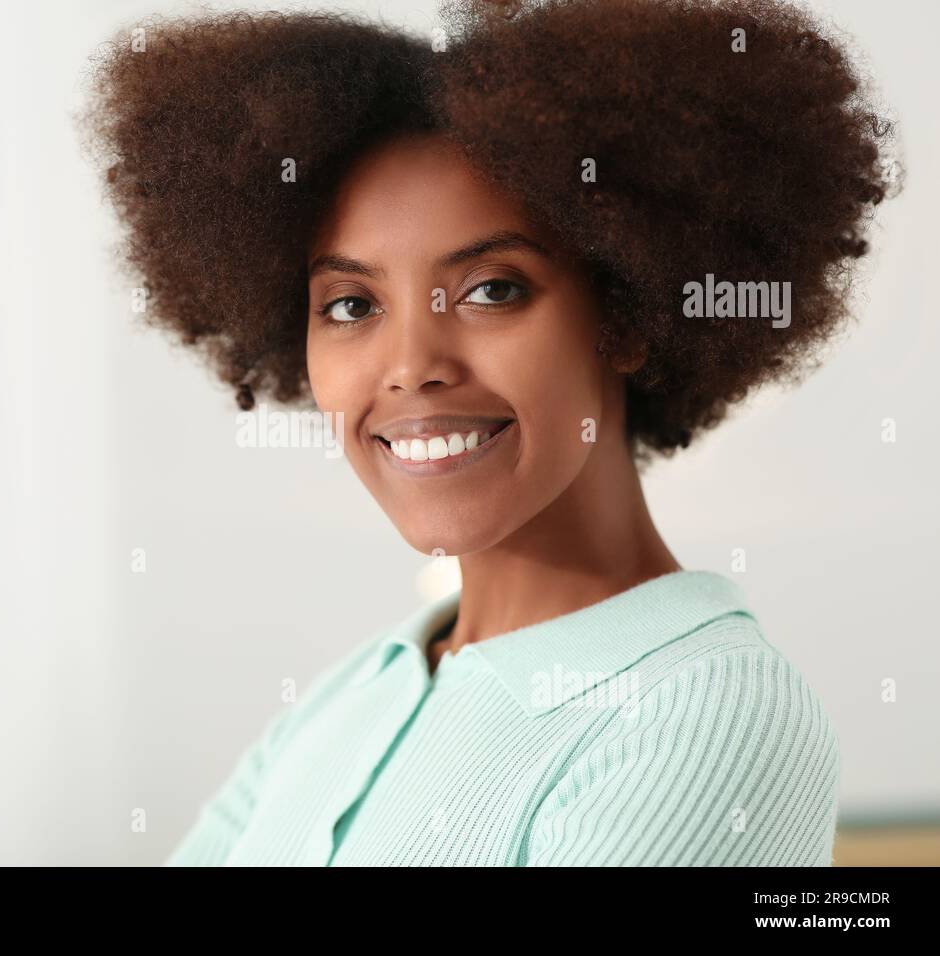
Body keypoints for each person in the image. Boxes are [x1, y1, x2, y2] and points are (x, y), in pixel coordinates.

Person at [84, 0, 897, 865]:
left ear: (625, 313)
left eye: (491, 290)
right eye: (352, 305)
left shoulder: (708, 712)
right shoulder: (357, 691)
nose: (410, 365)